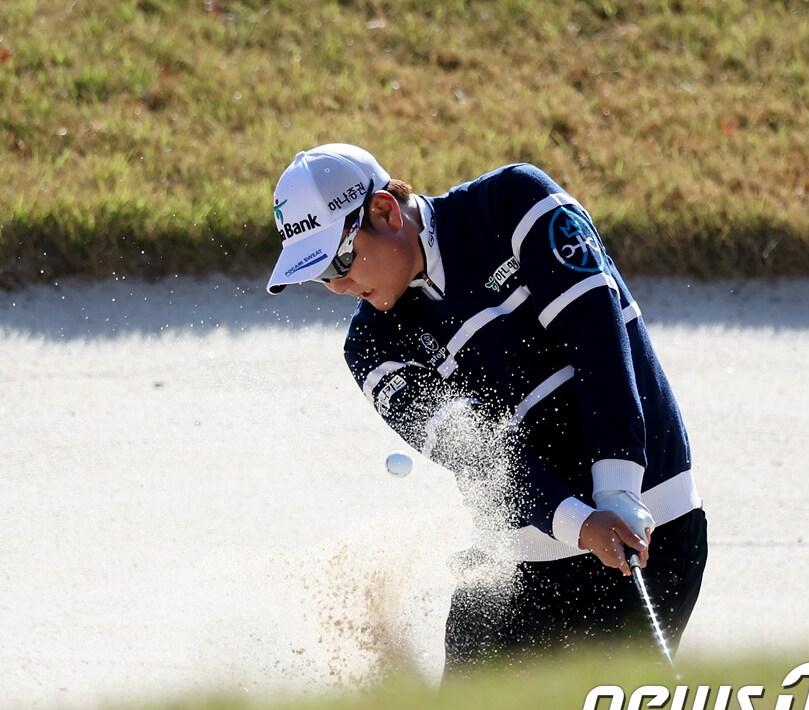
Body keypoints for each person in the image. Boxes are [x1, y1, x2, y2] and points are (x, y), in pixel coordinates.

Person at [265, 143, 708, 673]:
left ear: (384, 211)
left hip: (649, 526)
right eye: (321, 277)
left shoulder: (514, 204)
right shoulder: (371, 349)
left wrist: (616, 488)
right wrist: (580, 522)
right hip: (518, 556)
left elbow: (600, 344)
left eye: (340, 261)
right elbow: (481, 460)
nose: (340, 287)